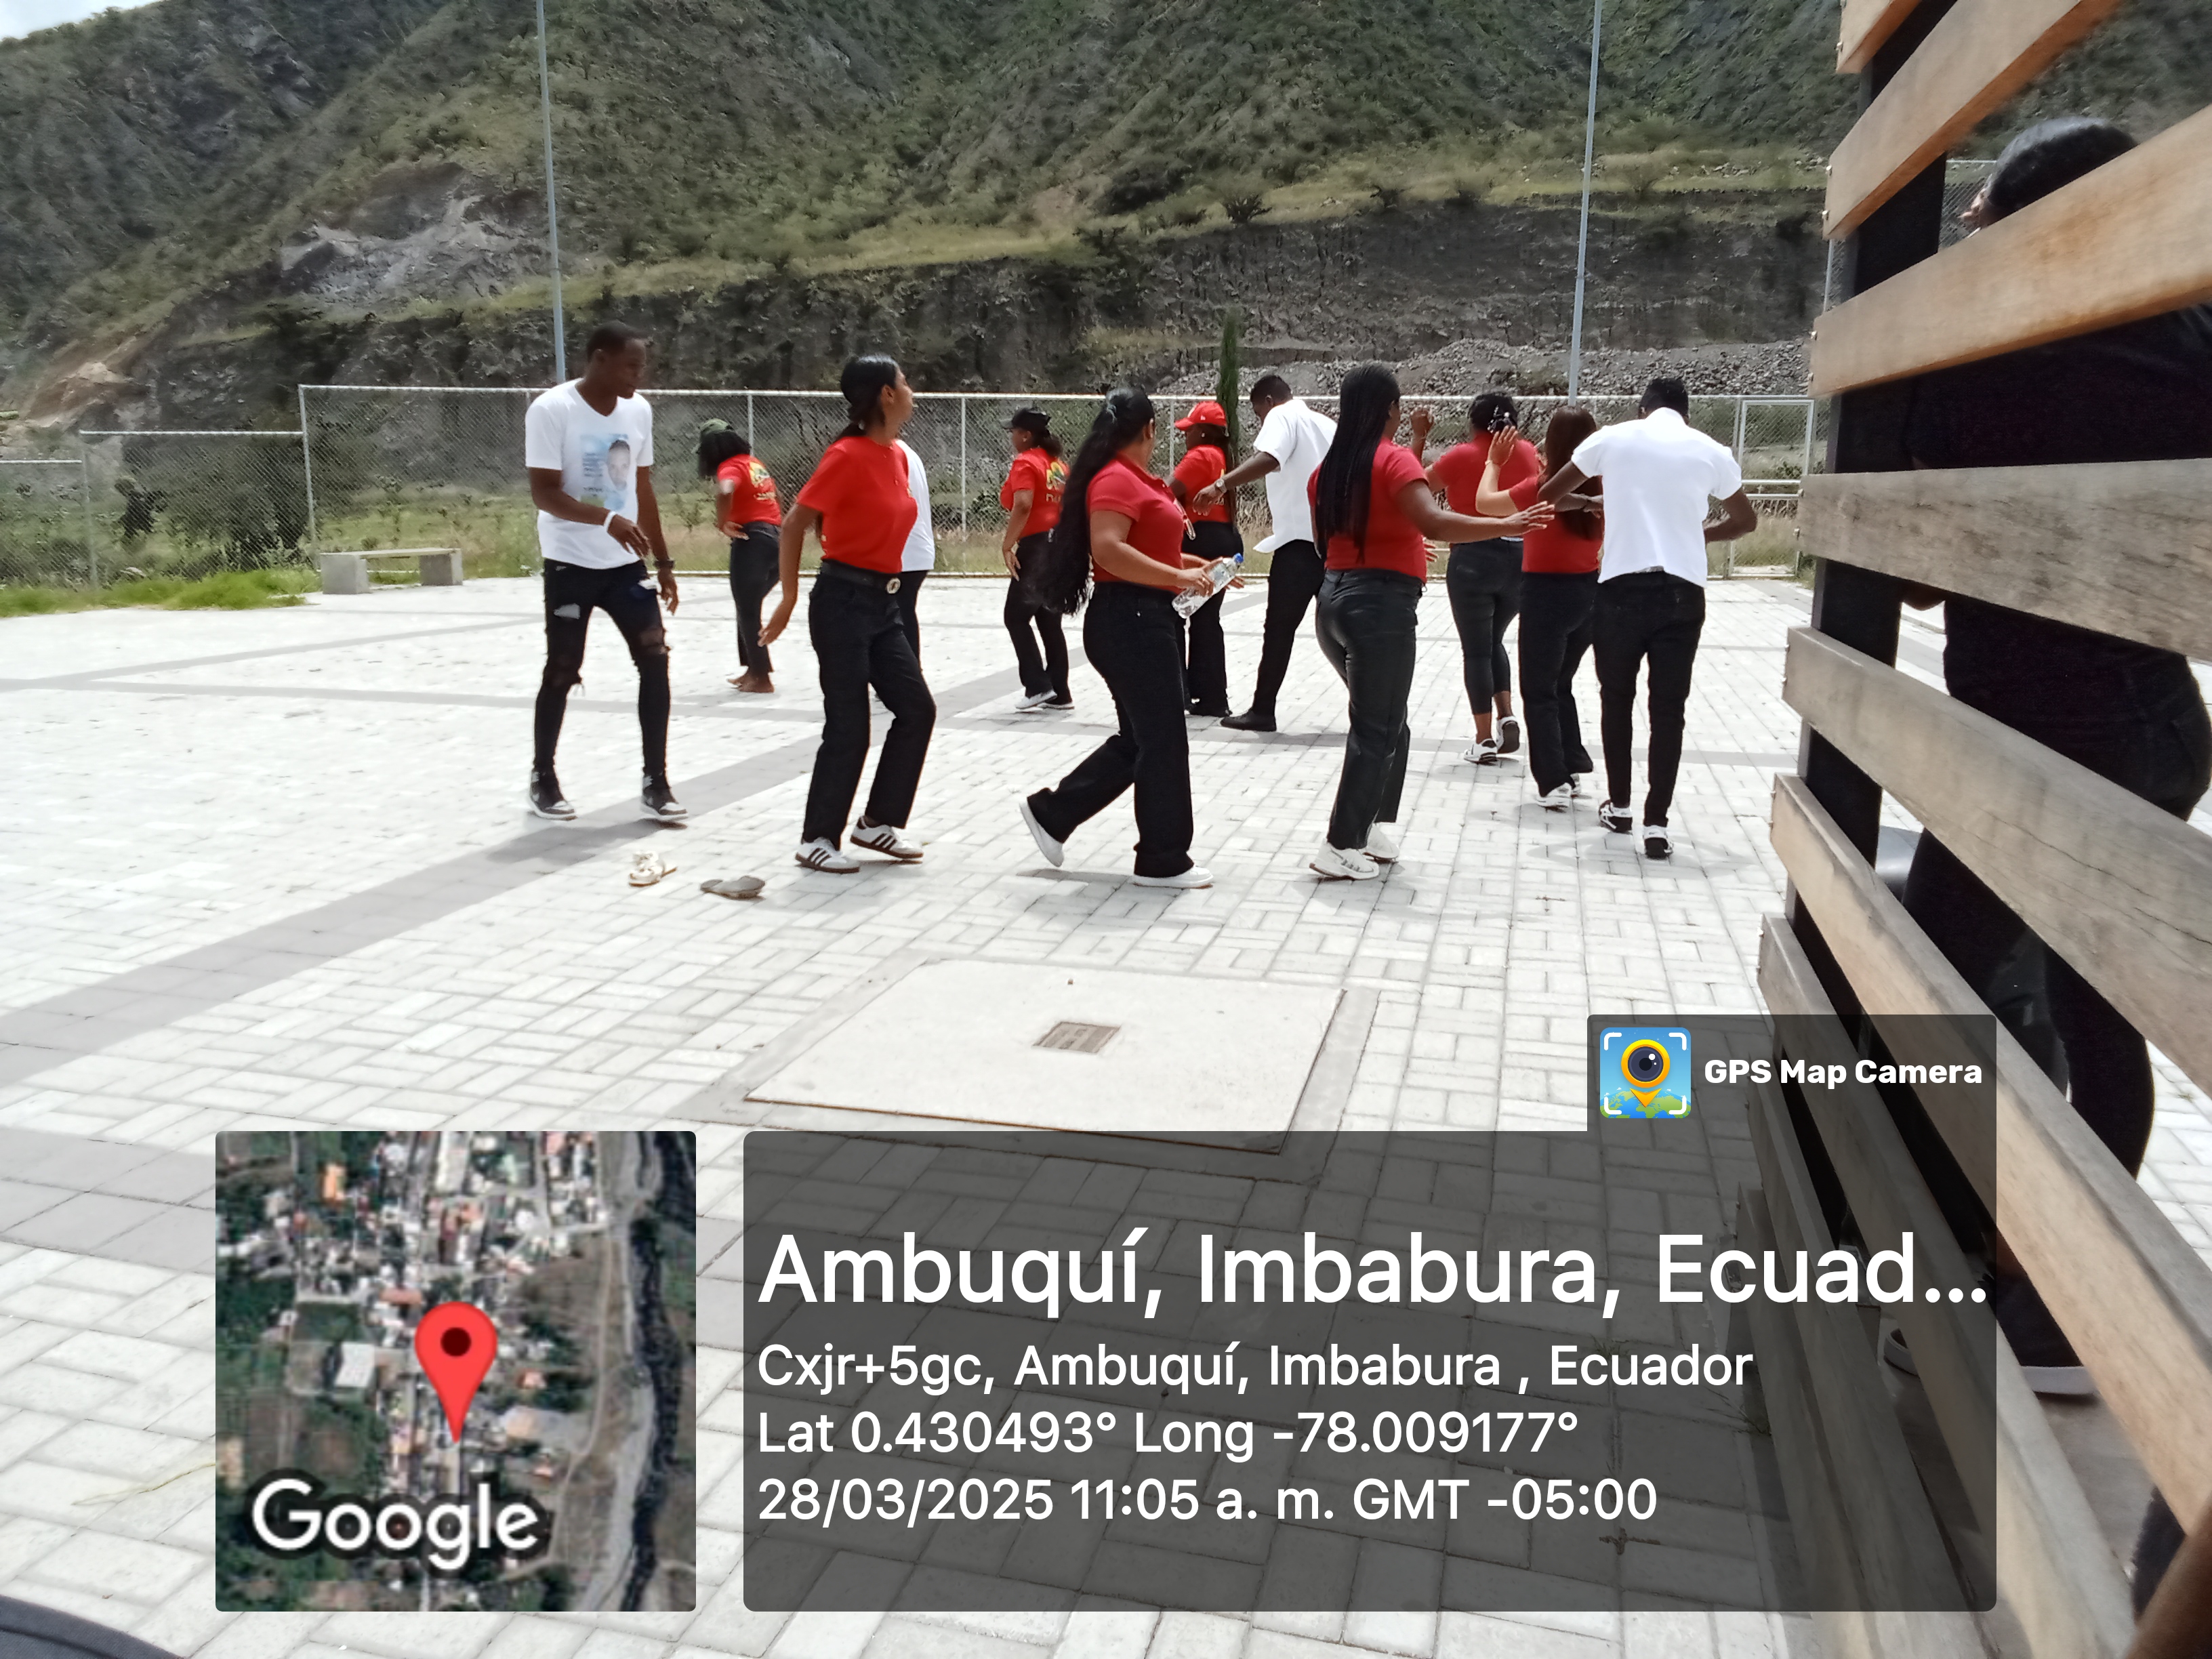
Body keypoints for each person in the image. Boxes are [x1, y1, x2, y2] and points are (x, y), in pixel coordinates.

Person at [1891, 117, 2212, 1408]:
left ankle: (2021, 1283)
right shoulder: (2180, 341)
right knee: (2075, 1005)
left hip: (2044, 732)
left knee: (1944, 978)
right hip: (2144, 723)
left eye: (1980, 218)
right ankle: (2027, 1278)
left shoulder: (1984, 360)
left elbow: (1913, 572)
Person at [1307, 365, 1550, 881]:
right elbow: (1433, 520)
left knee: (1390, 723)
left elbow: (1331, 538)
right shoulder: (1393, 459)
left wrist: (1402, 545)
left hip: (1332, 602)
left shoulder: (1327, 469)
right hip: (1379, 609)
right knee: (1377, 727)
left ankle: (1368, 825)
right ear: (1391, 410)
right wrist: (1505, 524)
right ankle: (1340, 844)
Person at [1540, 377, 1757, 859]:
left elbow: (1549, 494)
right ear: (1686, 414)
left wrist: (1595, 504)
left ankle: (1619, 806)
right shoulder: (1712, 451)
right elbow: (1746, 521)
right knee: (1669, 709)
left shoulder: (1612, 438)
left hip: (1621, 589)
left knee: (1617, 700)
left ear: (1643, 409)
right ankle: (1657, 823)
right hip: (1683, 593)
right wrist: (1698, 535)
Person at [1015, 388, 1224, 888]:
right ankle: (1162, 859)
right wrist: (1178, 577)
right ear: (1150, 428)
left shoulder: (1135, 479)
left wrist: (1197, 566)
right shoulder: (1115, 479)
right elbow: (1108, 551)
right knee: (1164, 740)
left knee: (1141, 739)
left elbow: (1148, 548)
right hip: (1130, 620)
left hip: (1140, 617)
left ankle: (1053, 814)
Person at [762, 355, 937, 872]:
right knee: (850, 724)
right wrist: (789, 598)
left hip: (885, 603)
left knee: (917, 709)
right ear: (886, 394)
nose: (911, 390)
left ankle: (878, 823)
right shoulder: (846, 454)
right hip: (842, 602)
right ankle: (817, 838)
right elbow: (794, 524)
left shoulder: (897, 457)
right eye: (904, 382)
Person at [523, 320, 686, 824]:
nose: (639, 376)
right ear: (599, 359)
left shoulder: (638, 411)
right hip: (570, 561)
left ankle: (656, 782)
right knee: (563, 668)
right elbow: (544, 493)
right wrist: (606, 519)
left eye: (642, 366)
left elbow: (643, 489)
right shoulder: (552, 409)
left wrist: (663, 562)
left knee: (655, 659)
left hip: (624, 565)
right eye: (631, 366)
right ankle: (543, 777)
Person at [1190, 374, 1336, 731]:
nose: (1260, 422)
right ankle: (1371, 708)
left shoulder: (1281, 415)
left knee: (1278, 631)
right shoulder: (1327, 425)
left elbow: (1270, 457)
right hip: (1334, 545)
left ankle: (1263, 710)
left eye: (1258, 414)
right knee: (1340, 631)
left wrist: (1221, 484)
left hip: (1299, 546)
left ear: (1269, 402)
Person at [1476, 407, 1604, 808]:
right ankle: (1572, 764)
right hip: (1590, 592)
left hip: (1546, 593)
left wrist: (1494, 464)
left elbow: (1484, 504)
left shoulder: (1541, 487)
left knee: (1538, 689)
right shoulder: (1604, 490)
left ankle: (1553, 780)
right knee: (1561, 682)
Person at [1415, 393, 1542, 763]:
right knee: (1493, 639)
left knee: (1476, 649)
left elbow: (1416, 488)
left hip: (1472, 558)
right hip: (1519, 556)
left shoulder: (1461, 456)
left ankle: (1484, 738)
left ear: (1473, 424)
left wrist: (1419, 439)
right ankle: (1507, 715)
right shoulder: (1529, 452)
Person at [698, 419, 781, 694]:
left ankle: (761, 679)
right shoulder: (754, 464)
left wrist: (722, 522)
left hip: (752, 540)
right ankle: (754, 670)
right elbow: (776, 496)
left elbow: (726, 489)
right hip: (777, 539)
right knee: (748, 606)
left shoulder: (730, 466)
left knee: (747, 609)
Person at [998, 409, 1072, 710]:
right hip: (1058, 546)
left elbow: (1023, 504)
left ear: (1026, 435)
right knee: (1049, 620)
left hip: (1037, 547)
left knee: (1015, 617)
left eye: (1014, 432)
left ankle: (1037, 686)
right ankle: (1060, 692)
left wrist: (1008, 544)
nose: (1012, 437)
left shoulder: (1026, 462)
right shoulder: (1057, 465)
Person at [1169, 400, 1239, 719]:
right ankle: (1211, 696)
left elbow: (1166, 493)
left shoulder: (1201, 455)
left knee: (1177, 614)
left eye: (1190, 430)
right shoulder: (1223, 457)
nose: (1185, 436)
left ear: (1202, 432)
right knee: (1206, 619)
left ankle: (1180, 692)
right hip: (1223, 538)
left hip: (1203, 541)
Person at [894, 434, 936, 658]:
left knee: (898, 615)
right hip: (915, 549)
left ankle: (908, 672)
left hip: (905, 551)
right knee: (902, 611)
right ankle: (909, 671)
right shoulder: (909, 452)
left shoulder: (893, 454)